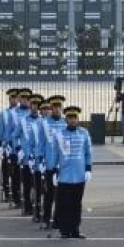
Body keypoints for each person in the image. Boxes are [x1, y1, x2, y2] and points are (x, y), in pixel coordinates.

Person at [50, 106, 92, 239]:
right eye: (70, 118)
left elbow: (88, 153)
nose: (73, 120)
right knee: (64, 204)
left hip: (79, 175)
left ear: (78, 119)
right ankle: (64, 230)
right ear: (66, 119)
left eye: (75, 118)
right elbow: (55, 154)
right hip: (64, 175)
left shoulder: (84, 133)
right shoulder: (60, 134)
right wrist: (54, 171)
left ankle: (75, 229)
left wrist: (88, 169)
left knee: (76, 204)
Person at [39, 95, 67, 227]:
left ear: (61, 108)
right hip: (49, 164)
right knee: (48, 194)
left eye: (58, 107)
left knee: (61, 196)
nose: (56, 109)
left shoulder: (65, 122)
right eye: (54, 107)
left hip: (62, 166)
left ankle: (57, 220)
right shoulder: (44, 123)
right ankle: (46, 219)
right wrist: (41, 161)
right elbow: (41, 144)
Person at [0, 89, 19, 203]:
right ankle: (6, 191)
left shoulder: (22, 113)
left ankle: (18, 192)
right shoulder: (3, 113)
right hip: (7, 146)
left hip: (18, 147)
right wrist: (0, 143)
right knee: (6, 169)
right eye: (12, 98)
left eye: (15, 98)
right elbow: (0, 129)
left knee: (17, 172)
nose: (13, 100)